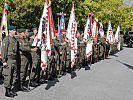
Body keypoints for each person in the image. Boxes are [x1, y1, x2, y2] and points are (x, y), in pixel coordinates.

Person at [2, 26, 18, 97]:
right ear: (10, 31)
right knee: (8, 76)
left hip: (14, 60)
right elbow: (4, 50)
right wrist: (3, 60)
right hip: (9, 60)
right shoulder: (7, 39)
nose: (15, 31)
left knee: (13, 75)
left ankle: (10, 89)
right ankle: (7, 91)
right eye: (14, 30)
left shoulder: (14, 39)